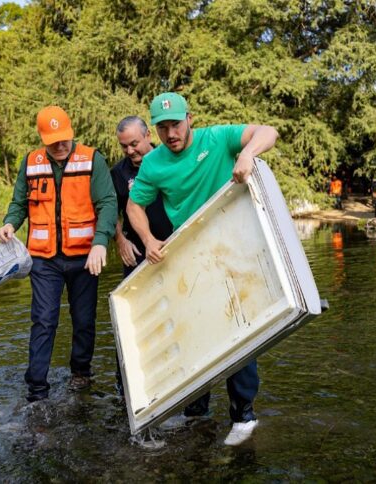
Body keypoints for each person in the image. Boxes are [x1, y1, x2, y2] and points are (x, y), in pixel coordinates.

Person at [126, 92, 278, 446]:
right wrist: (148, 239)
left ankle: (244, 416)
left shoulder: (218, 137)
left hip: (233, 242)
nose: (171, 133)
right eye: (162, 128)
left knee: (238, 325)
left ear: (189, 118)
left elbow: (268, 131)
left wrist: (246, 153)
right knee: (194, 330)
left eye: (176, 124)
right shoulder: (153, 164)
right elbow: (135, 206)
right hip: (189, 253)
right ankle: (198, 413)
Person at [0, 106, 117, 402]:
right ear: (42, 138)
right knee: (44, 319)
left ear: (71, 132)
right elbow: (19, 203)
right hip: (43, 258)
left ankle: (81, 373)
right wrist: (10, 223)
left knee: (84, 319)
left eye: (64, 138)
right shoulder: (31, 162)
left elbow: (108, 203)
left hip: (85, 257)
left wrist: (101, 241)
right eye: (53, 141)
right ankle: (37, 386)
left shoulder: (92, 159)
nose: (60, 145)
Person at [109, 115, 173, 397]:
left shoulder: (169, 159)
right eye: (124, 147)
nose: (130, 151)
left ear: (148, 135)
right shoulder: (119, 173)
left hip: (174, 248)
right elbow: (110, 210)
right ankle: (127, 388)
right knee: (134, 321)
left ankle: (173, 378)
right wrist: (120, 239)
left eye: (134, 143)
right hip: (136, 255)